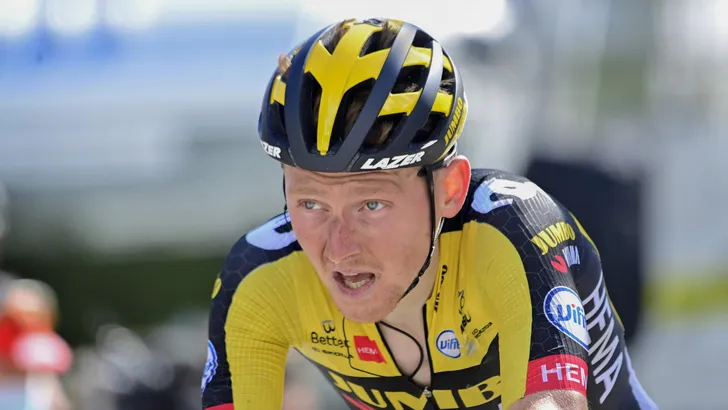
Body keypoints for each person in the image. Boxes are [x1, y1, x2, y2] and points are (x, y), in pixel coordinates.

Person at [202, 18, 657, 410]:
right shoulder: (259, 277)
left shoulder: (513, 228)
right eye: (311, 204)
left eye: (371, 205)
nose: (339, 247)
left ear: (450, 190)